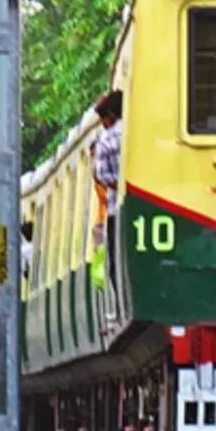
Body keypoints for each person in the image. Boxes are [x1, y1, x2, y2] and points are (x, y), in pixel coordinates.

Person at [93, 91, 123, 303]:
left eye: (103, 119)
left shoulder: (106, 140)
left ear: (110, 116)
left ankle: (121, 301)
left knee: (116, 264)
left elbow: (102, 175)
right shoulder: (139, 132)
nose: (103, 124)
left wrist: (122, 185)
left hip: (116, 211)